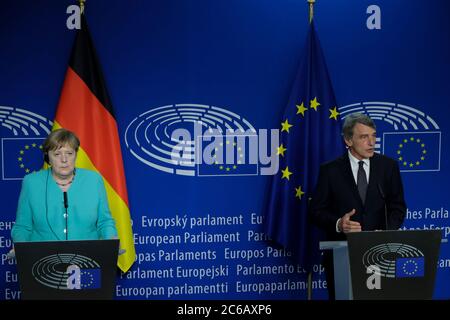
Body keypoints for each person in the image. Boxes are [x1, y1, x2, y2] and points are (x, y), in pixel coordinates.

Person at [309, 113, 406, 300]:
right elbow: (315, 211)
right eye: (364, 137)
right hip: (342, 256)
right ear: (348, 140)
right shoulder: (330, 170)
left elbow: (398, 207)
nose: (371, 142)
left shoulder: (388, 166)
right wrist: (339, 223)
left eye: (374, 136)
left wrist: (385, 232)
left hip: (379, 256)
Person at [11, 128, 118, 243]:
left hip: (86, 258)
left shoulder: (94, 180)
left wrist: (111, 240)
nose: (64, 160)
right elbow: (22, 227)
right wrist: (19, 246)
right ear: (48, 157)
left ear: (76, 155)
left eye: (69, 153)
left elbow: (105, 222)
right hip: (43, 258)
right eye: (57, 154)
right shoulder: (31, 182)